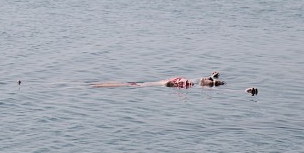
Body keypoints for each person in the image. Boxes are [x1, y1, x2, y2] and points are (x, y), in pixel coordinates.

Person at [92, 72, 224, 88]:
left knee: (127, 85)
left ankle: (97, 86)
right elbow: (208, 78)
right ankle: (96, 85)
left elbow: (169, 84)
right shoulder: (197, 80)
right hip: (151, 84)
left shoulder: (196, 82)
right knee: (127, 84)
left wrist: (173, 84)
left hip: (150, 84)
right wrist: (213, 77)